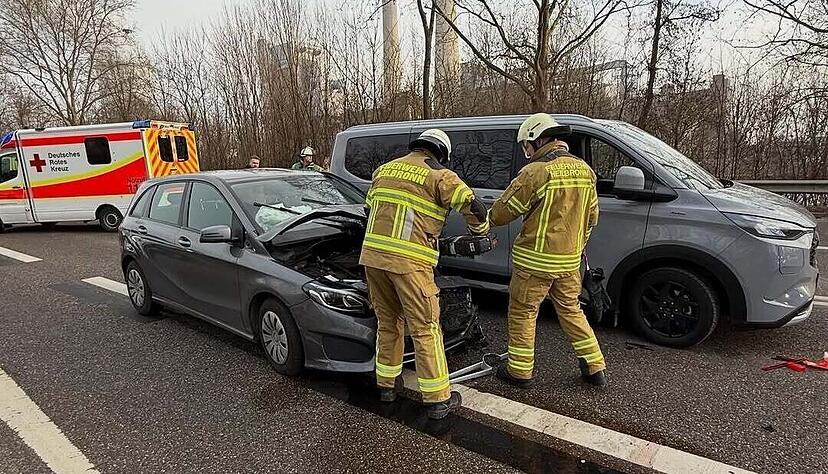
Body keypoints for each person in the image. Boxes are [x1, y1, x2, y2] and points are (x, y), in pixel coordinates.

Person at [360, 129, 491, 419]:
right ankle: (437, 400)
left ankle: (386, 386)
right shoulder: (440, 175)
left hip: (373, 259)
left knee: (388, 322)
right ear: (442, 153)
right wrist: (480, 232)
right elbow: (474, 206)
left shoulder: (384, 170)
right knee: (425, 328)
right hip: (410, 264)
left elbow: (370, 212)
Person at [489, 113, 607, 388]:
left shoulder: (536, 172)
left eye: (527, 146)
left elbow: (502, 213)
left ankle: (519, 372)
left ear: (538, 140)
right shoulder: (585, 170)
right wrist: (576, 247)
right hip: (568, 263)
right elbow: (592, 218)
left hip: (534, 263)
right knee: (572, 311)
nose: (527, 152)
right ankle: (595, 367)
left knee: (523, 312)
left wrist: (486, 219)